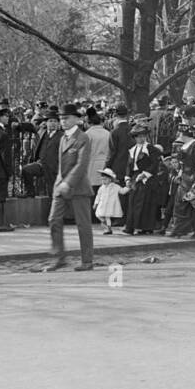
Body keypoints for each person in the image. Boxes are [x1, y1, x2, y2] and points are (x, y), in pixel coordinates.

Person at [43, 103, 95, 271]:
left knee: (83, 224)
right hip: (61, 185)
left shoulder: (83, 138)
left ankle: (87, 260)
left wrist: (67, 182)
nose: (62, 121)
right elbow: (60, 166)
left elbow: (81, 165)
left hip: (78, 187)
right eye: (61, 118)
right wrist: (59, 184)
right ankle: (59, 258)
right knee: (53, 219)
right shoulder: (63, 138)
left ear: (76, 119)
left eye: (66, 118)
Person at [122, 123, 163, 235]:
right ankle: (131, 226)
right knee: (133, 202)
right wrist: (127, 177)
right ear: (135, 137)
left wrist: (145, 174)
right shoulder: (132, 149)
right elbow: (129, 165)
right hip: (136, 177)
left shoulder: (150, 148)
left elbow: (155, 163)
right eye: (139, 136)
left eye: (143, 136)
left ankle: (145, 227)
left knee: (145, 203)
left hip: (147, 179)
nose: (142, 138)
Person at [94, 167, 127, 234]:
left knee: (107, 217)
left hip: (110, 205)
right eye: (102, 180)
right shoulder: (101, 188)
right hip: (102, 205)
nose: (103, 181)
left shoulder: (115, 186)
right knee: (98, 214)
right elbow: (98, 196)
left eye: (105, 179)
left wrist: (128, 187)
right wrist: (96, 203)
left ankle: (108, 229)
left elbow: (122, 191)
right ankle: (106, 225)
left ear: (110, 179)